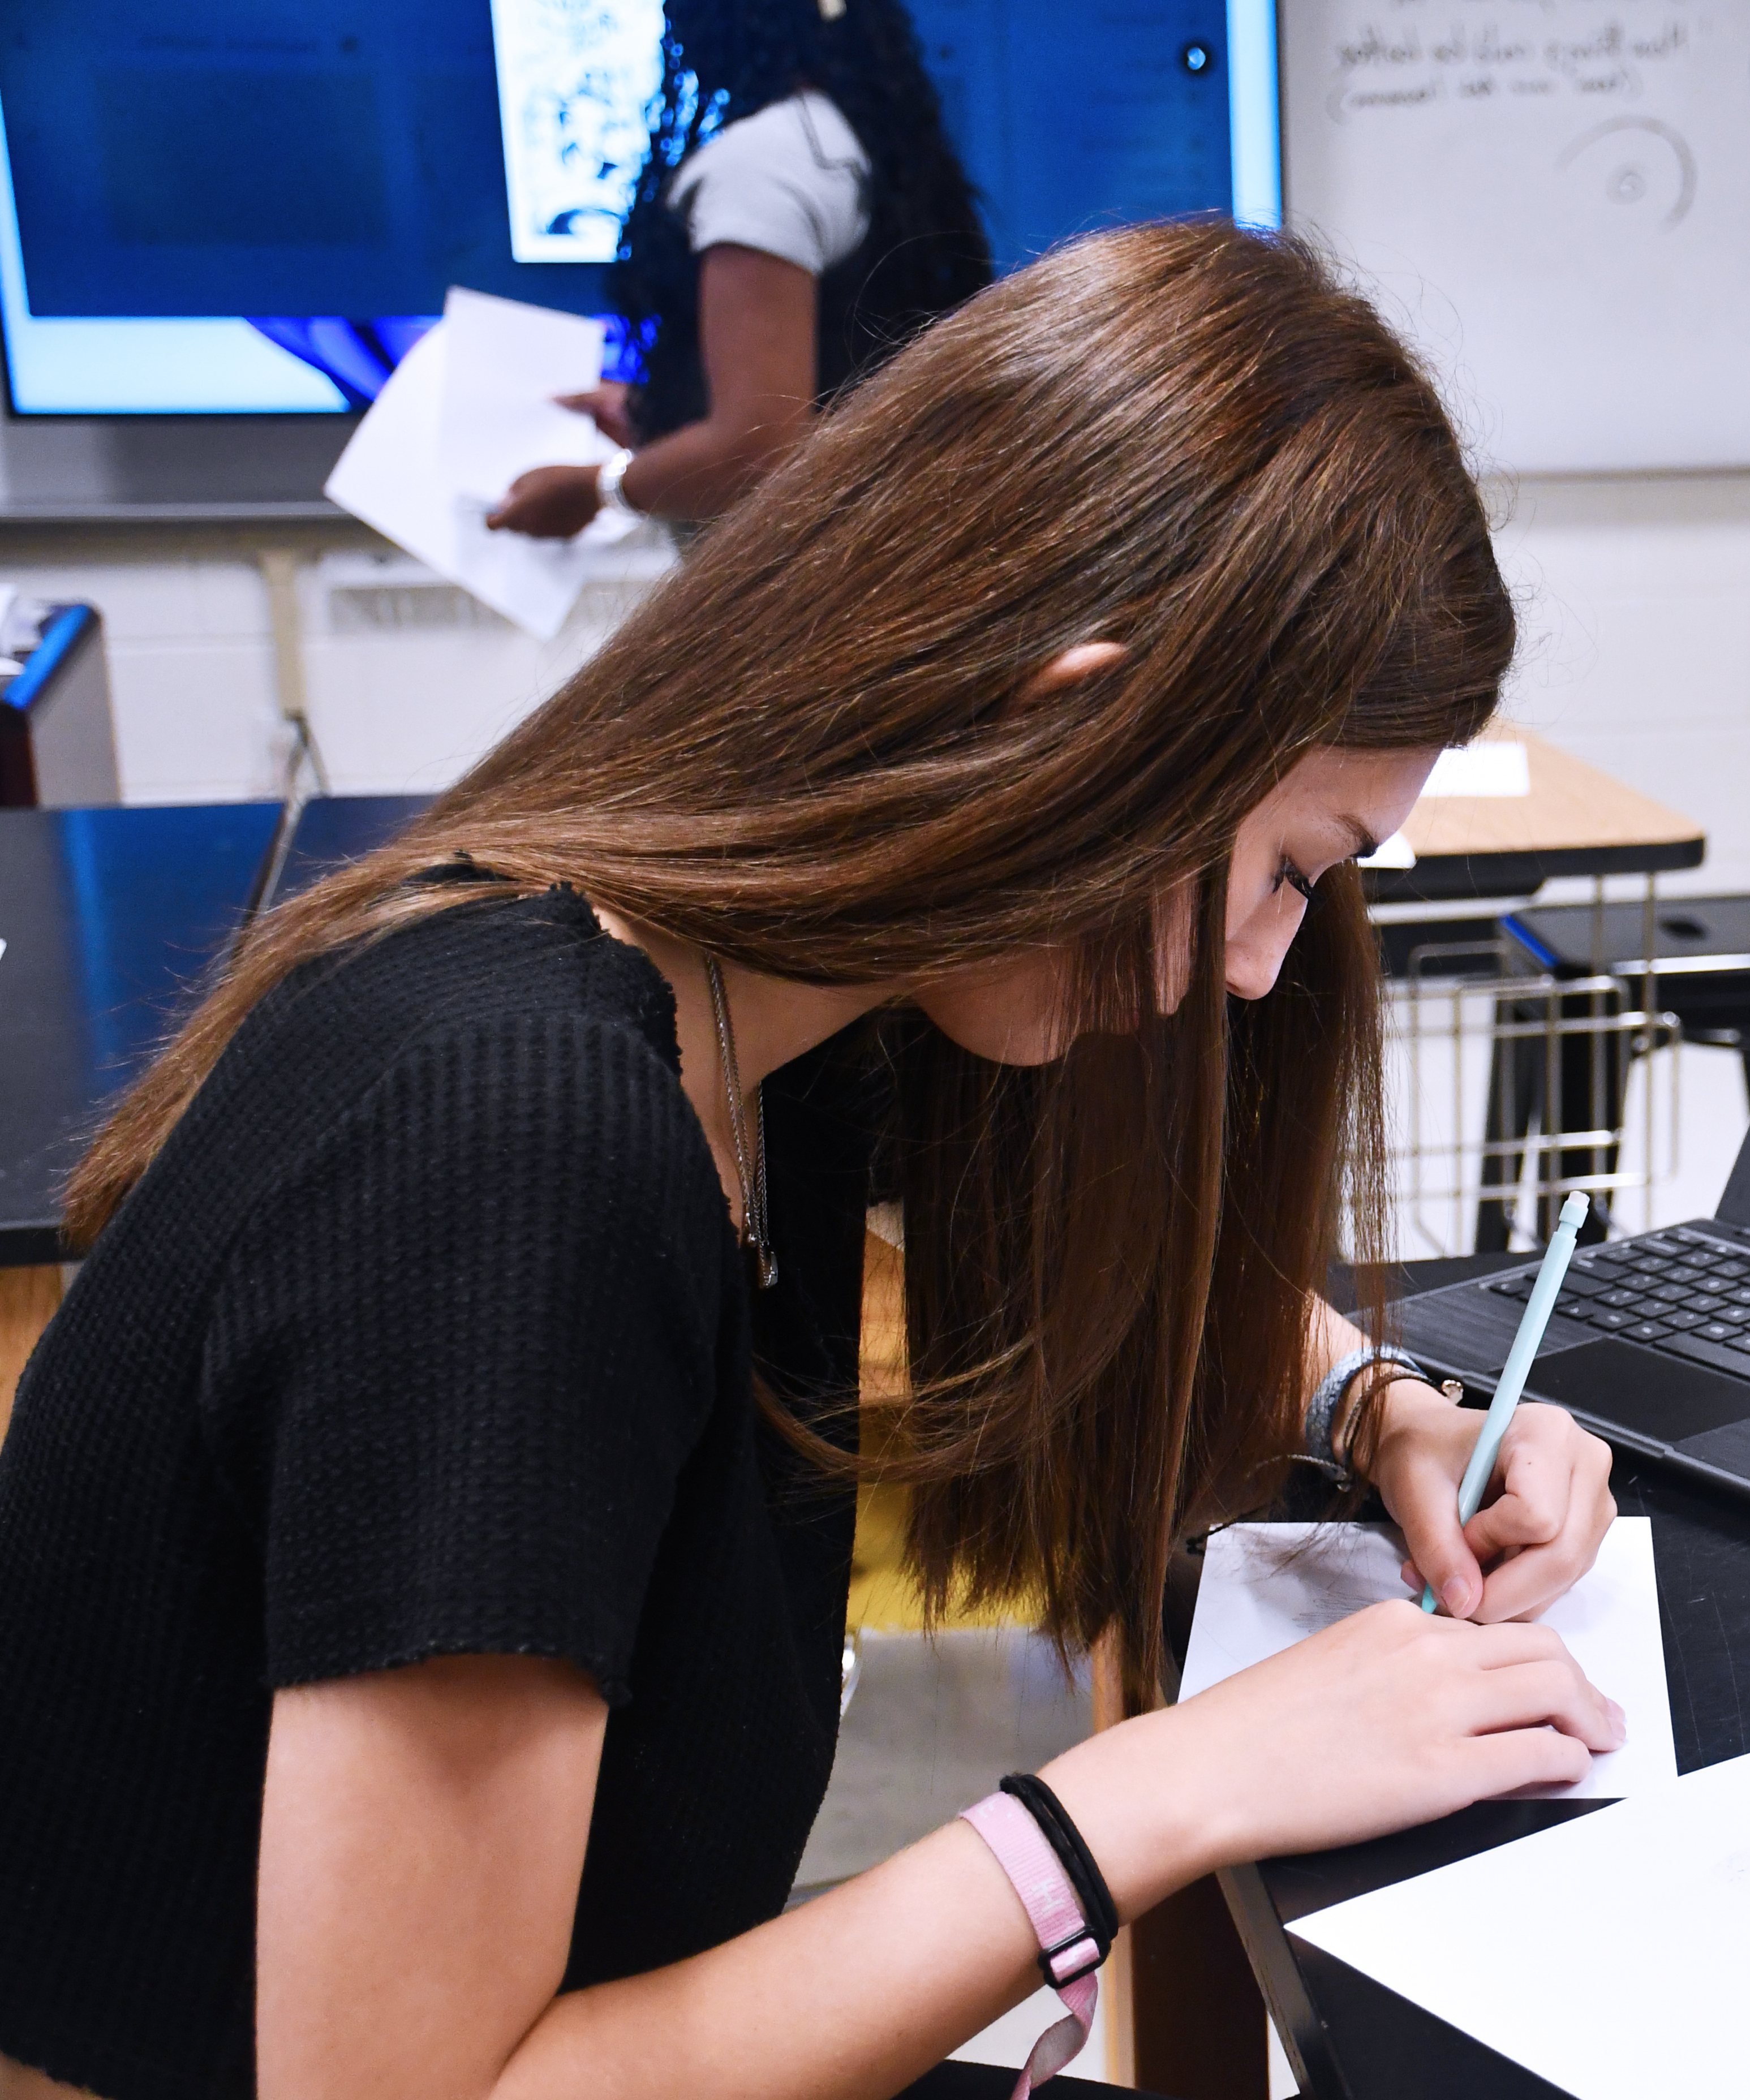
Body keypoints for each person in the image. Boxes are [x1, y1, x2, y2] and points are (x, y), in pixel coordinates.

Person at [0, 223, 1622, 2100]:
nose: (1257, 973)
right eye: (1281, 871)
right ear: (1071, 724)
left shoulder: (772, 986)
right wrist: (1155, 1792)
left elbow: (1112, 1261)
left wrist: (1380, 1407)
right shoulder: (522, 1139)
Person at [488, 0, 991, 540]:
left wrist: (595, 491)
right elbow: (833, 384)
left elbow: (755, 448)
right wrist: (662, 413)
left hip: (796, 576)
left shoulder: (760, 166)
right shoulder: (852, 138)